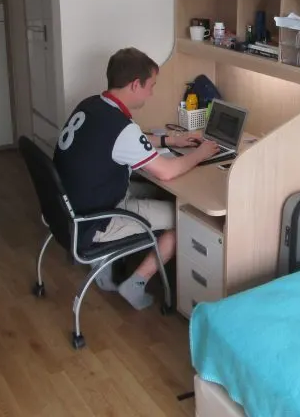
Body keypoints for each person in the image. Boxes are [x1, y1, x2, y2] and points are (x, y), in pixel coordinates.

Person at [53, 47, 219, 310]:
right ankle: (136, 282)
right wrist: (201, 153)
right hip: (97, 220)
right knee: (184, 218)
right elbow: (167, 171)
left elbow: (130, 139)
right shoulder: (121, 128)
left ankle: (109, 262)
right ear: (135, 85)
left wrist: (171, 140)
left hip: (70, 207)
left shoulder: (92, 105)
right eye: (151, 86)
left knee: (157, 193)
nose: (151, 93)